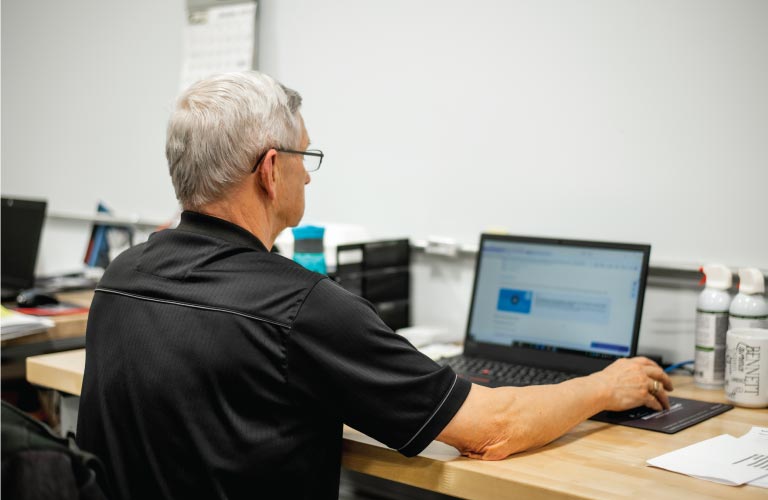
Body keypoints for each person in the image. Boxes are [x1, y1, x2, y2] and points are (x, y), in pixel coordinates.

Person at [76, 70, 673, 499]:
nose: (307, 177)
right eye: (303, 158)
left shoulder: (120, 275)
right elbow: (493, 428)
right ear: (268, 170)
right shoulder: (301, 307)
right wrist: (604, 386)